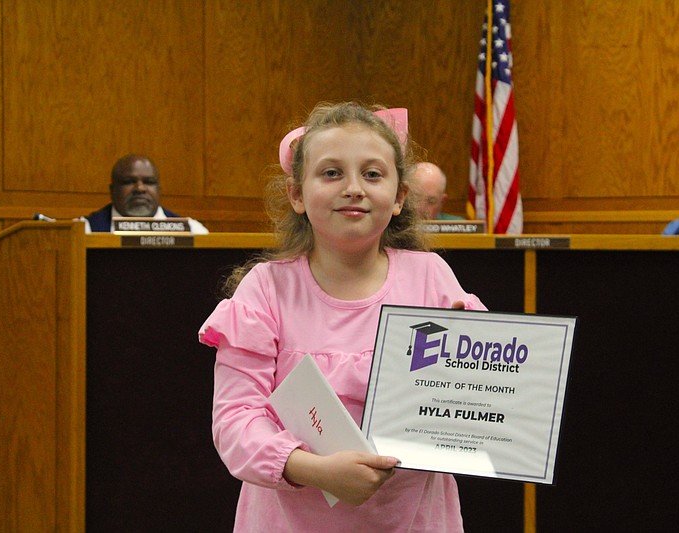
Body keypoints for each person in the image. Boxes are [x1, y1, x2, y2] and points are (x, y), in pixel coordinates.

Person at [197, 102, 487, 532]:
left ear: (399, 197)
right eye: (331, 173)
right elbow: (236, 421)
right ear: (297, 194)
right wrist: (313, 469)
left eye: (372, 174)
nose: (354, 188)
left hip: (413, 520)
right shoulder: (265, 289)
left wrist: (473, 369)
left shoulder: (432, 277)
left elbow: (479, 404)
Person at [81, 154, 209, 234]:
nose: (140, 188)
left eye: (149, 182)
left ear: (159, 190)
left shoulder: (193, 231)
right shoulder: (84, 231)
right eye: (129, 182)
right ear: (112, 190)